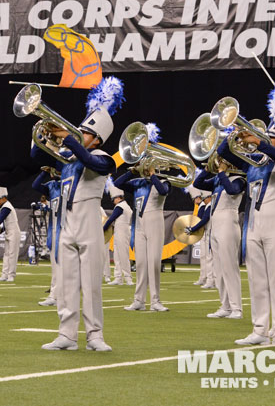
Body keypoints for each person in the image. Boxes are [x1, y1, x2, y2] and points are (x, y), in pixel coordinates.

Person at [41, 76, 123, 352]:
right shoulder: (68, 159)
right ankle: (66, 334)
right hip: (67, 223)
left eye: (83, 133)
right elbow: (35, 154)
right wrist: (45, 134)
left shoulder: (103, 157)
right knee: (66, 283)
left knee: (91, 284)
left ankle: (94, 335)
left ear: (97, 138)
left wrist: (67, 138)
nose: (78, 136)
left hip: (89, 224)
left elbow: (91, 162)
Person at [221, 80, 275, 347]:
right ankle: (259, 328)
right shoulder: (255, 160)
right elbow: (224, 154)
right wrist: (233, 133)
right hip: (253, 223)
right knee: (256, 279)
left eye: (273, 138)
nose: (269, 140)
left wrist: (262, 142)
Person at [114, 124, 171, 313]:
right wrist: (133, 170)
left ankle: (156, 300)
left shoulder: (162, 181)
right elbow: (117, 183)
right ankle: (139, 299)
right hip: (138, 223)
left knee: (154, 261)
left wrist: (153, 173)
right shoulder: (137, 183)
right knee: (139, 263)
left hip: (155, 221)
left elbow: (163, 191)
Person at [192, 158, 246, 319]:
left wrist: (222, 172)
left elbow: (232, 191)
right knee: (218, 268)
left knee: (230, 267)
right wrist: (210, 167)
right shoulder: (217, 179)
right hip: (215, 222)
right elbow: (198, 183)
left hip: (228, 220)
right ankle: (225, 306)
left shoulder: (239, 179)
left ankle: (237, 308)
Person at [32, 165, 63, 305]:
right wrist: (45, 172)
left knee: (63, 266)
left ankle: (57, 296)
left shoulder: (70, 184)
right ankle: (55, 296)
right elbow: (36, 185)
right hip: (54, 230)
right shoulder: (52, 186)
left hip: (67, 229)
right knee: (55, 265)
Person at [103, 180, 133, 286]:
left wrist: (103, 228)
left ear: (119, 198)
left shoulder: (121, 207)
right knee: (117, 255)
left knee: (123, 255)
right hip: (119, 232)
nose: (113, 201)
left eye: (114, 199)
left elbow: (111, 219)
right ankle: (118, 277)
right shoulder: (126, 206)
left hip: (122, 232)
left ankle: (128, 278)